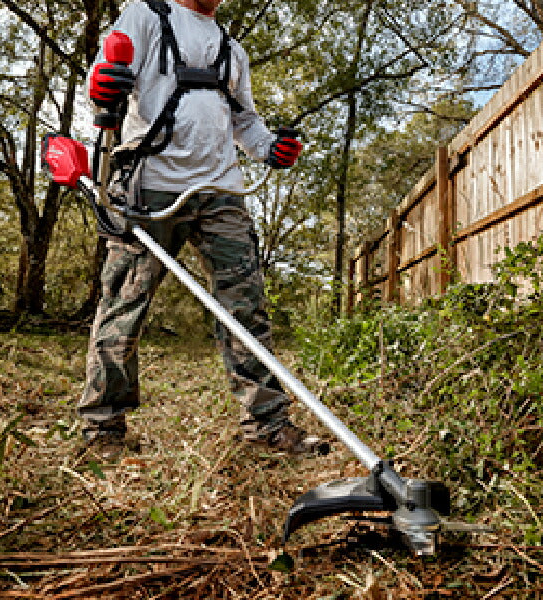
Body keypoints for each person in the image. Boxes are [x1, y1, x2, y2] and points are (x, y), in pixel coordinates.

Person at [78, 0, 329, 459]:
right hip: (147, 187)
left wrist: (271, 148)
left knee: (246, 307)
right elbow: (106, 81)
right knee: (123, 306)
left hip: (221, 190)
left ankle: (266, 424)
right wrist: (101, 87)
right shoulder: (146, 14)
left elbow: (245, 121)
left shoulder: (232, 48)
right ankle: (103, 428)